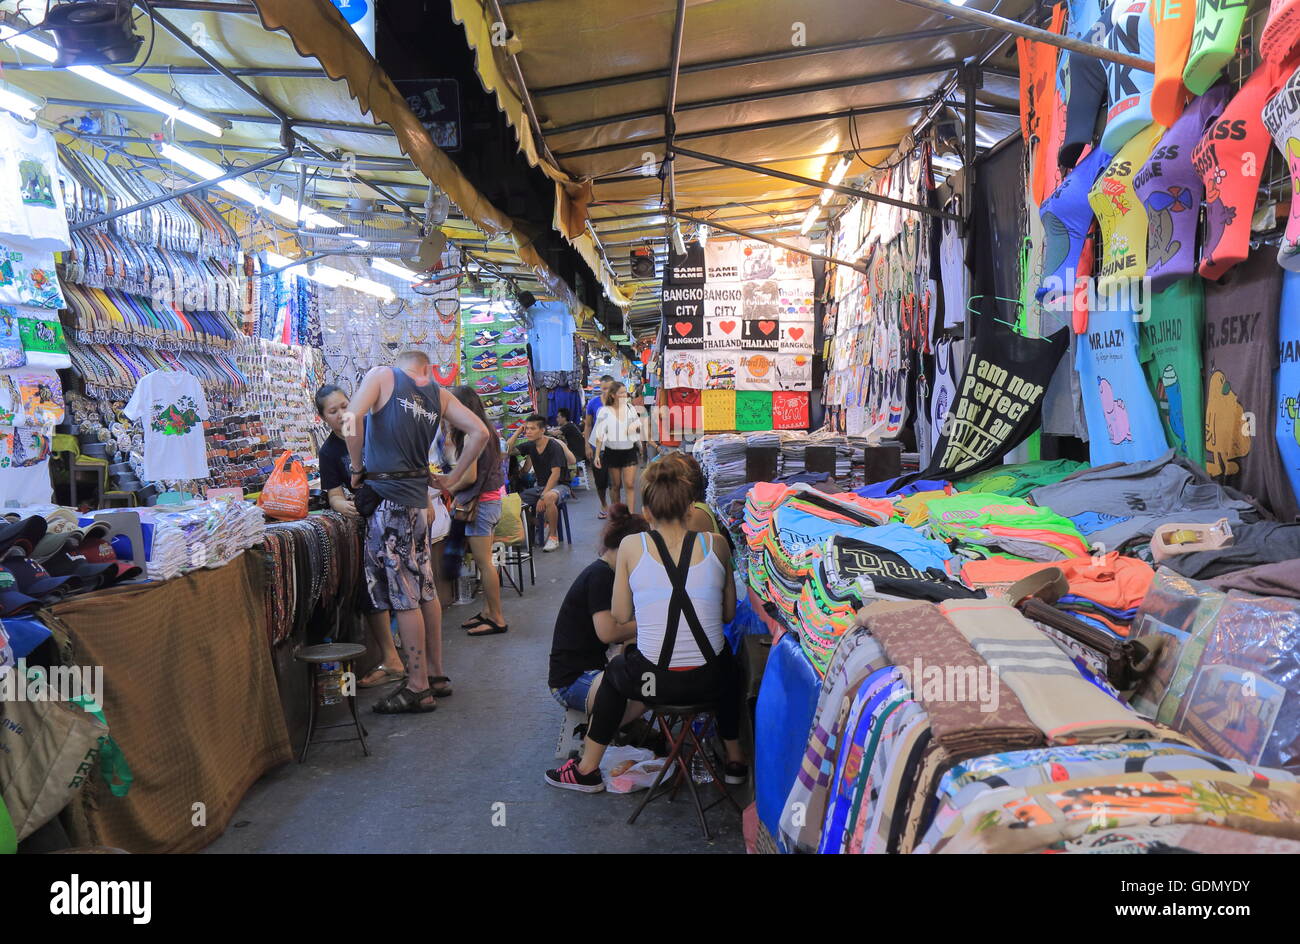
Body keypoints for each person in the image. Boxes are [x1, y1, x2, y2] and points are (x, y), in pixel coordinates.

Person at [545, 456, 747, 792]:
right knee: (728, 664)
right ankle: (735, 761)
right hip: (710, 683)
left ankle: (587, 769)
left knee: (615, 676)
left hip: (654, 684)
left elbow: (622, 616)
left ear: (647, 511)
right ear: (690, 508)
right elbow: (727, 615)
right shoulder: (718, 544)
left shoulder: (629, 546)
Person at [346, 351, 490, 714]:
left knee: (405, 595)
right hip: (416, 502)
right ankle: (436, 674)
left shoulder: (382, 375)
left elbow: (351, 416)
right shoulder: (438, 395)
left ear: (401, 362)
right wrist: (451, 479)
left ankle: (417, 686)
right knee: (425, 589)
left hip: (390, 500)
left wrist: (356, 465)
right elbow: (481, 432)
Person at [314, 384, 406, 689]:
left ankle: (414, 661)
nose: (342, 414)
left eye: (344, 405)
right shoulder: (328, 452)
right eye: (333, 411)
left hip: (398, 515)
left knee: (407, 586)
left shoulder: (376, 427)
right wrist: (346, 506)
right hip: (367, 525)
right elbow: (334, 496)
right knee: (373, 591)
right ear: (323, 418)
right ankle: (393, 658)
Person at [548, 504, 651, 715]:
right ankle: (599, 738)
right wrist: (651, 622)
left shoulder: (611, 573)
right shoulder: (601, 576)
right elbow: (608, 632)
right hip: (572, 681)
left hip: (585, 672)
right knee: (648, 691)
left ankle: (612, 736)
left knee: (647, 686)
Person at [444, 385, 509, 637]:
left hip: (480, 504)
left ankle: (497, 618)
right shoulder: (485, 430)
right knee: (485, 562)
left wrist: (445, 485)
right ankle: (487, 611)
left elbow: (469, 477)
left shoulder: (473, 434)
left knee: (484, 563)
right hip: (489, 502)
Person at [507, 415, 573, 552]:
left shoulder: (553, 446)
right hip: (541, 487)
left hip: (560, 486)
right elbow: (506, 450)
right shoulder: (531, 445)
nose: (528, 432)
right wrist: (518, 432)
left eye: (532, 429)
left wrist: (543, 496)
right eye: (527, 429)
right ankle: (540, 525)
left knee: (548, 498)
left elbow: (556, 474)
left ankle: (553, 538)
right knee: (513, 502)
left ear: (542, 430)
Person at [592, 381, 643, 514]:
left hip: (629, 451)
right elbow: (599, 434)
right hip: (612, 452)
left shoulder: (630, 408)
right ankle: (617, 515)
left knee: (630, 484)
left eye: (625, 392)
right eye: (621, 392)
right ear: (613, 395)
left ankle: (631, 516)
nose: (624, 395)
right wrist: (597, 454)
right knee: (615, 486)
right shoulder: (604, 411)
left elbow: (637, 428)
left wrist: (640, 444)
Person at [583, 375, 614, 518]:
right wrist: (587, 446)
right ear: (600, 388)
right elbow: (588, 426)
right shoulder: (593, 403)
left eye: (610, 388)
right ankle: (603, 504)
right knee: (600, 481)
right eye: (604, 388)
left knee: (615, 481)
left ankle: (614, 509)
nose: (607, 391)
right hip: (597, 448)